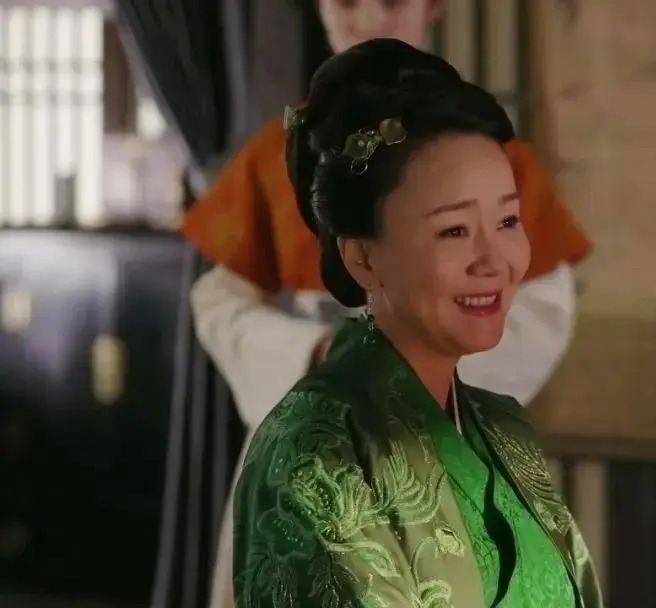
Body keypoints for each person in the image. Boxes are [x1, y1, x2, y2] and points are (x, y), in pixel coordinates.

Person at [180, 2, 591, 606]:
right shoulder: (278, 154)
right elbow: (220, 301)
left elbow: (543, 309)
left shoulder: (491, 160)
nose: (369, 15)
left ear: (434, 7)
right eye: (347, 0)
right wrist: (311, 353)